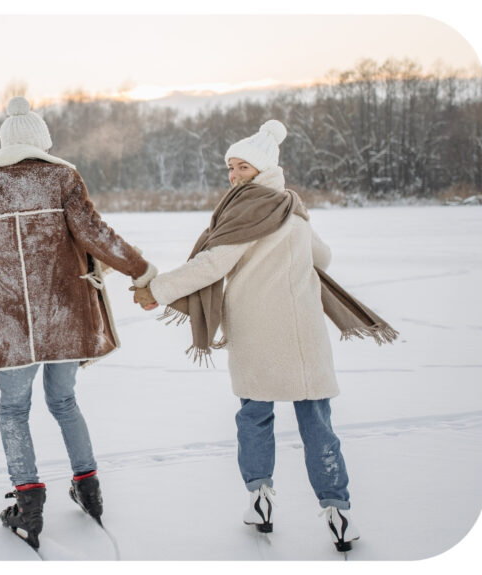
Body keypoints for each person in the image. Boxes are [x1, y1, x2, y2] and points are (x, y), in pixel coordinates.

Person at [132, 120, 397, 553]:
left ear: (262, 169)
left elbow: (213, 264)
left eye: (242, 167)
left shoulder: (247, 209)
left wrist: (157, 290)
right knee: (317, 423)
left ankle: (260, 500)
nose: (233, 175)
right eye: (230, 168)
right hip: (304, 332)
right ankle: (338, 513)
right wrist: (300, 231)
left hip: (258, 331)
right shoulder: (290, 206)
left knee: (255, 416)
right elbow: (323, 258)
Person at [0, 96, 157, 549]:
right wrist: (140, 270)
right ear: (42, 141)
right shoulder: (60, 178)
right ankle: (89, 489)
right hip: (64, 316)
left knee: (13, 410)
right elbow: (96, 236)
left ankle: (28, 503)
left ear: (4, 143)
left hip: (5, 326)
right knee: (64, 400)